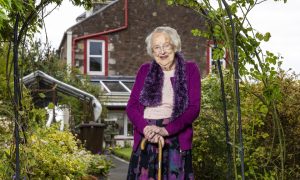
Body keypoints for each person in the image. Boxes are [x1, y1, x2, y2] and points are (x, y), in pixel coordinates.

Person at [126, 26, 201, 180]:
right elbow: (131, 107)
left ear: (175, 45)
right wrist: (147, 129)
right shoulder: (145, 70)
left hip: (175, 138)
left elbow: (194, 109)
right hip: (145, 135)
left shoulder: (190, 69)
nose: (162, 51)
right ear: (152, 52)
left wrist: (165, 131)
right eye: (157, 48)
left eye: (166, 45)